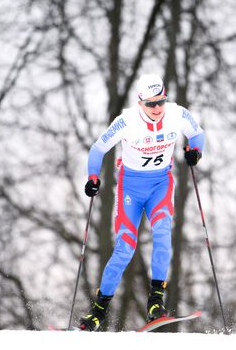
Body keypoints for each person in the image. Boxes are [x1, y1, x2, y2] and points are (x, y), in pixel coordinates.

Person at [79, 74, 205, 331]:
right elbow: (97, 149)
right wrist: (93, 177)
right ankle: (98, 312)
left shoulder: (176, 114)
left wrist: (195, 151)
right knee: (124, 247)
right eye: (151, 104)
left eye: (161, 101)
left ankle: (155, 303)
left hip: (161, 184)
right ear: (140, 102)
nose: (157, 108)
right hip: (131, 189)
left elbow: (197, 134)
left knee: (162, 234)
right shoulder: (126, 121)